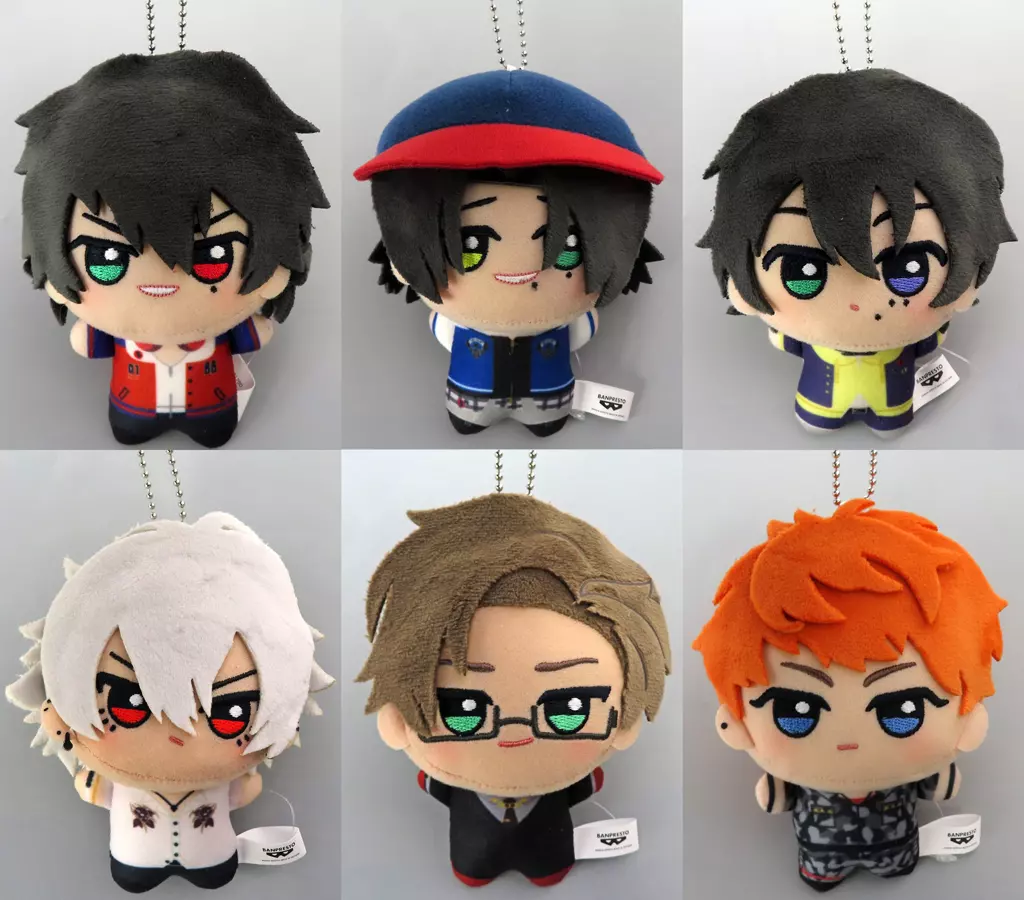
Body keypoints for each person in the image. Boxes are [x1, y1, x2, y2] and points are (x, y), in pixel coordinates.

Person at [6, 513, 335, 893]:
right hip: (138, 860)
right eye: (127, 703)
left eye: (230, 713)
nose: (179, 734)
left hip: (212, 859)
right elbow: (245, 791)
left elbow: (90, 787)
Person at [357, 492, 671, 885]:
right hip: (471, 853)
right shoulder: (448, 779)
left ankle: (543, 868)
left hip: (549, 852)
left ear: (623, 714)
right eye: (464, 710)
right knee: (473, 867)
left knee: (546, 868)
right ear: (398, 719)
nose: (516, 735)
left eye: (569, 708)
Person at [17, 50, 329, 446]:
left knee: (212, 431)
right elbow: (86, 344)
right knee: (132, 429)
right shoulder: (112, 334)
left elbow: (259, 333)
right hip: (131, 405)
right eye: (105, 260)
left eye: (213, 257)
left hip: (211, 407)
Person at [693, 499, 1005, 891]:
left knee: (894, 864)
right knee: (826, 868)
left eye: (902, 711)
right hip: (820, 851)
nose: (848, 740)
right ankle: (827, 872)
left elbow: (938, 787)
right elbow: (776, 798)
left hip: (895, 848)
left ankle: (888, 865)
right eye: (795, 712)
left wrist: (942, 775)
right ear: (734, 722)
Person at [699, 68, 1015, 432]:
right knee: (821, 420)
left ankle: (886, 418)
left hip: (893, 402)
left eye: (909, 269)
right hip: (818, 400)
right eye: (802, 274)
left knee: (889, 423)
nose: (856, 304)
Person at [356, 69, 663, 435]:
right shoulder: (568, 326)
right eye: (470, 249)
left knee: (538, 418)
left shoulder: (455, 327)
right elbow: (583, 332)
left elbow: (443, 333)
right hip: (474, 396)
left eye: (566, 250)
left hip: (542, 397)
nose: (521, 272)